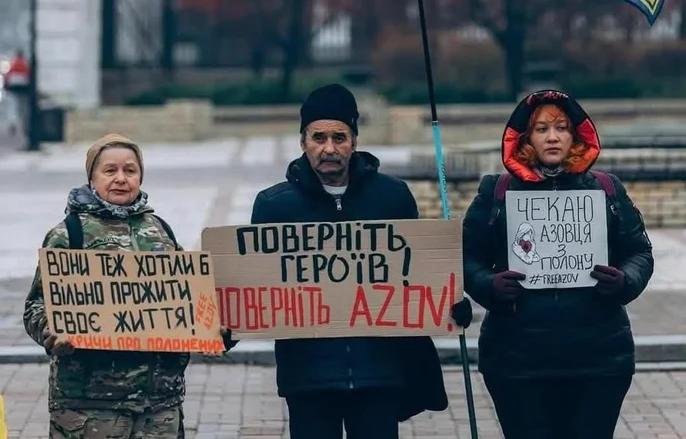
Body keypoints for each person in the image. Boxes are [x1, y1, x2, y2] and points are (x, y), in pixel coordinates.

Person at [249, 83, 472, 439]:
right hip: (308, 377)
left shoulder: (392, 196)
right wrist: (231, 321)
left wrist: (449, 304)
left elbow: (417, 272)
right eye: (318, 137)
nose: (329, 148)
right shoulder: (274, 206)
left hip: (379, 372)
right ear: (302, 142)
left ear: (354, 141)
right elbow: (255, 285)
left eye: (340, 137)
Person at [462, 90, 654, 439]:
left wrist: (624, 280)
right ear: (524, 138)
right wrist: (488, 285)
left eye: (562, 127)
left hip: (599, 360)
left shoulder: (607, 189)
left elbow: (640, 252)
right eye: (541, 129)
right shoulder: (497, 191)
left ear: (576, 135)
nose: (553, 137)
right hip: (517, 361)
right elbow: (467, 257)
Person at [24, 132, 234, 439]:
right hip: (91, 406)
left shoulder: (160, 231)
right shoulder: (69, 235)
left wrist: (214, 330)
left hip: (159, 404)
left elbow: (183, 302)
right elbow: (35, 307)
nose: (121, 178)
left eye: (130, 170)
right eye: (110, 171)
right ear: (92, 178)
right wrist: (50, 331)